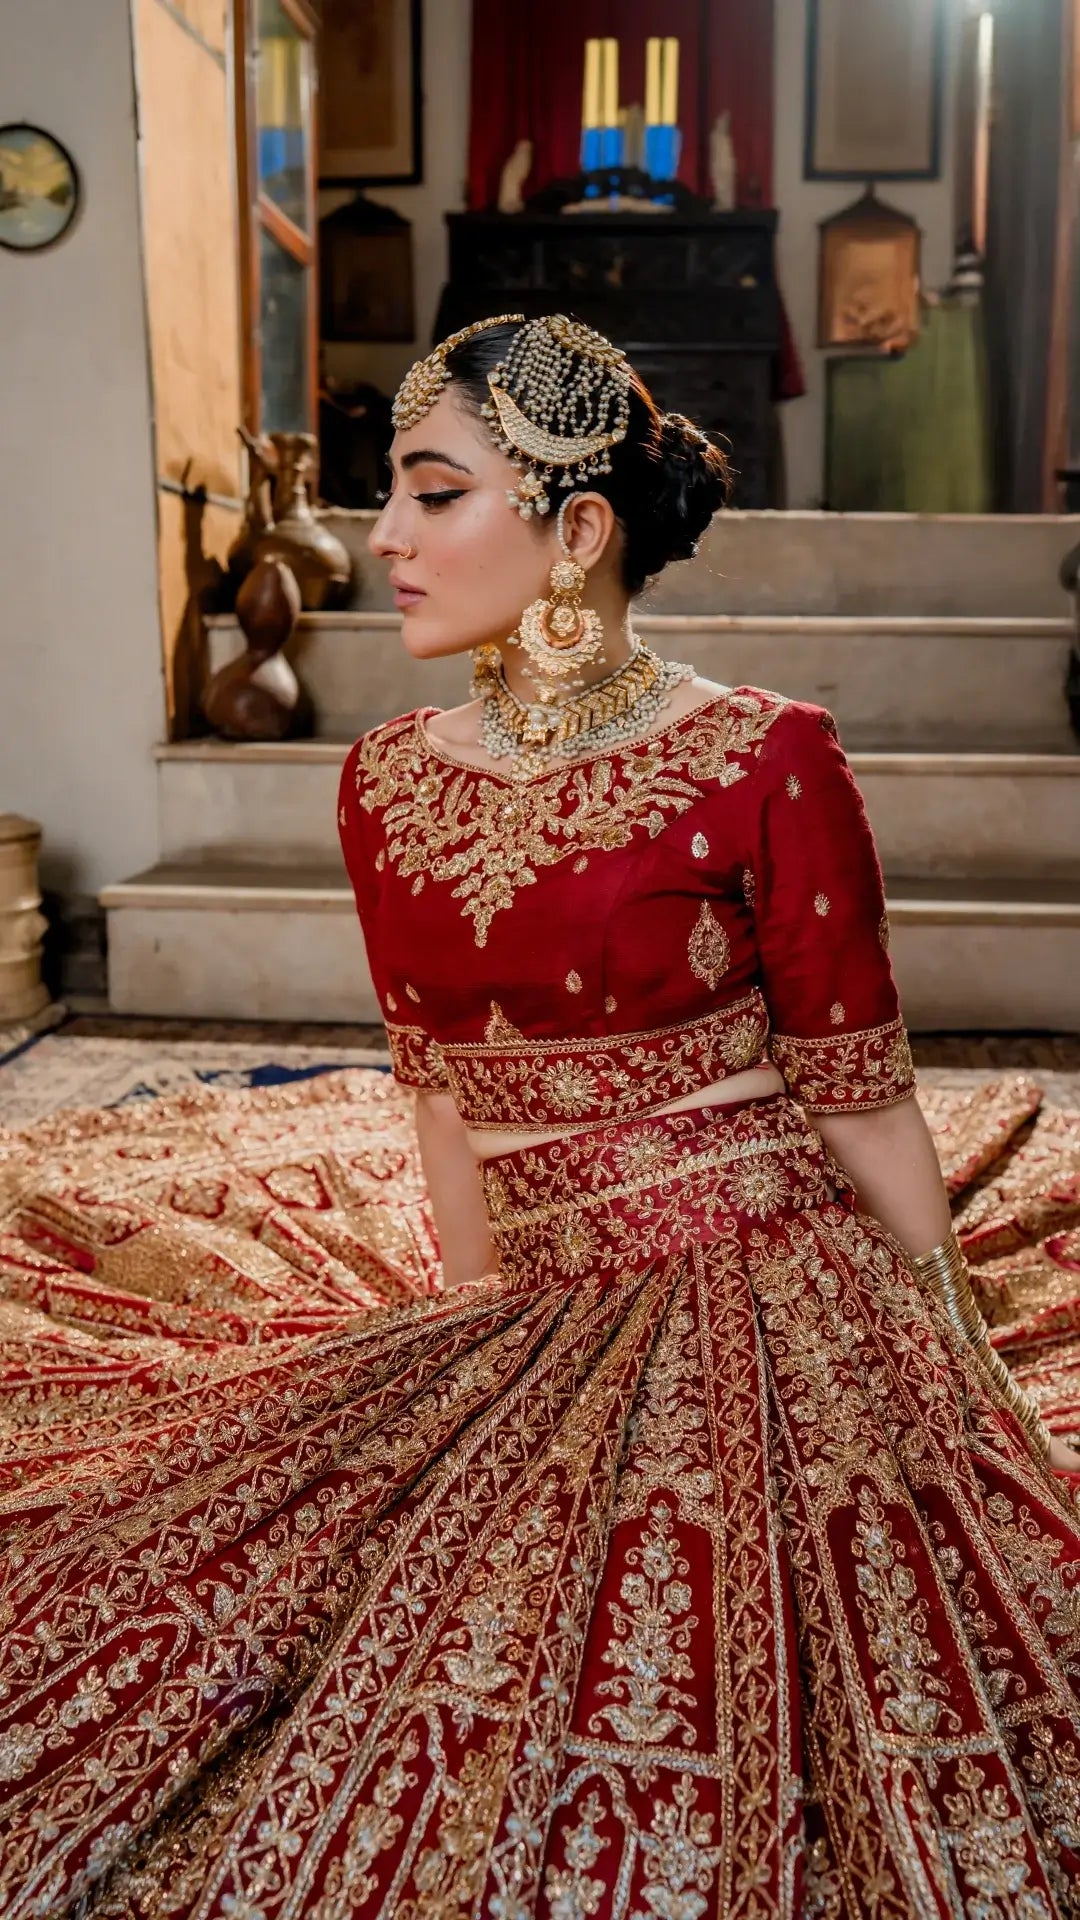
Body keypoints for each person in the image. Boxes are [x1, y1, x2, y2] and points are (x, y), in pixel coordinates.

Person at [3, 313, 1080, 1917]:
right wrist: (480, 1336)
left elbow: (858, 1098)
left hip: (761, 1277)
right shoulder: (385, 778)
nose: (386, 537)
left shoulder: (765, 759)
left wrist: (944, 1355)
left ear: (578, 532)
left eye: (434, 493)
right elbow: (440, 1093)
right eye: (389, 491)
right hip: (536, 1276)